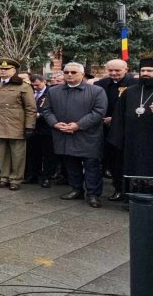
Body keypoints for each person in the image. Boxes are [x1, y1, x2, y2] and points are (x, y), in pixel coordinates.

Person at [43, 62, 108, 209]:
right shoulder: (54, 91)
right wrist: (55, 124)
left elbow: (98, 112)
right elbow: (47, 110)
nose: (69, 75)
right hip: (64, 134)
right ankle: (76, 189)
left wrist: (78, 125)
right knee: (71, 164)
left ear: (82, 74)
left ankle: (93, 194)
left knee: (92, 166)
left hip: (88, 135)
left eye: (73, 72)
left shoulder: (97, 91)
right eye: (67, 72)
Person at [0, 59, 36, 190]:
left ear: (14, 71)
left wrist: (29, 126)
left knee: (17, 154)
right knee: (2, 153)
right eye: (1, 69)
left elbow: (30, 108)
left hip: (16, 125)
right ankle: (4, 177)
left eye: (6, 69)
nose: (3, 71)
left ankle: (16, 179)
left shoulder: (23, 86)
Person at [108, 57, 153, 194]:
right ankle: (131, 198)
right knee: (131, 168)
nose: (145, 73)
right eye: (143, 70)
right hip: (131, 141)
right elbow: (118, 117)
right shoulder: (130, 91)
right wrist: (117, 139)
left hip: (151, 140)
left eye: (150, 70)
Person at [93, 59, 136, 201]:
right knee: (110, 161)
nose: (113, 73)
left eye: (117, 70)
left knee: (122, 161)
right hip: (102, 127)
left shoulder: (134, 85)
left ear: (126, 69)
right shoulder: (100, 84)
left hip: (124, 129)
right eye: (110, 70)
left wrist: (115, 118)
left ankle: (127, 190)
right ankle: (117, 188)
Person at [25, 74, 57, 188]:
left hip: (46, 128)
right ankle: (33, 175)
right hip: (32, 128)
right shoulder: (30, 92)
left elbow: (54, 110)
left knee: (48, 155)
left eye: (37, 85)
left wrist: (41, 115)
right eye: (33, 85)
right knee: (32, 154)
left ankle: (47, 177)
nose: (35, 87)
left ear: (44, 82)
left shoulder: (51, 93)